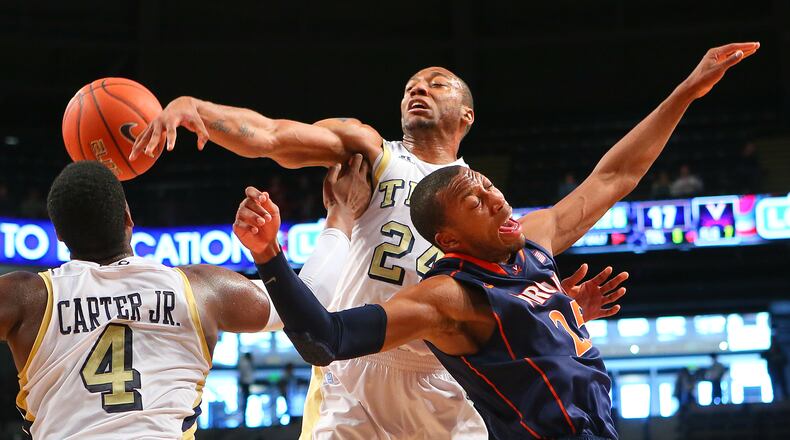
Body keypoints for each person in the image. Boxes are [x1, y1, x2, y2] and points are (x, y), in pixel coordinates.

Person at [134, 41, 758, 439]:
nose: (419, 87)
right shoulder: (371, 151)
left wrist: (685, 93)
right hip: (359, 366)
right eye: (413, 82)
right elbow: (269, 134)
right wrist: (197, 110)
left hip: (455, 381)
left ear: (467, 117)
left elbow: (613, 178)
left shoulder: (499, 221)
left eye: (437, 81)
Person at [0, 158, 369, 439]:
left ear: (60, 237)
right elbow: (311, 299)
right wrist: (341, 214)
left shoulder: (25, 296)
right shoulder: (201, 288)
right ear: (128, 217)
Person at [238, 352, 255, 425]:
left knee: (245, 400)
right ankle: (243, 418)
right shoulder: (246, 364)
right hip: (245, 383)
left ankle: (244, 417)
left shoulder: (246, 363)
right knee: (244, 401)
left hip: (245, 383)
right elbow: (244, 375)